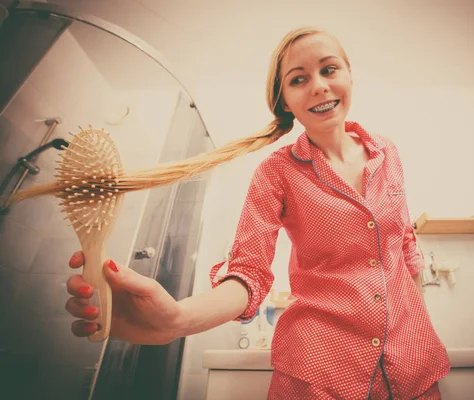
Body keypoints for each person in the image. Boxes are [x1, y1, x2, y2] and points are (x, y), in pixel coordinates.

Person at [65, 26, 451, 399]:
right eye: (299, 79)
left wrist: (416, 333)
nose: (318, 85)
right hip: (318, 376)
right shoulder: (276, 173)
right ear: (285, 99)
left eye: (329, 69)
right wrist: (177, 319)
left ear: (349, 74)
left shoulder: (388, 152)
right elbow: (248, 272)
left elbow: (406, 250)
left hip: (415, 372)